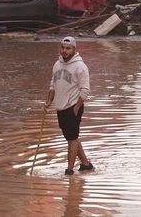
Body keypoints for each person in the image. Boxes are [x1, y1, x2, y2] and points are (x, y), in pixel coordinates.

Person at [45, 36, 92, 176]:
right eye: (62, 48)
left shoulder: (80, 67)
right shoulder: (57, 65)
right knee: (71, 137)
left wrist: (76, 108)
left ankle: (69, 170)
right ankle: (85, 164)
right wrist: (48, 102)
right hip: (60, 107)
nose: (64, 51)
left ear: (74, 49)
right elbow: (52, 86)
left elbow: (85, 90)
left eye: (68, 48)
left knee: (71, 139)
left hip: (73, 106)